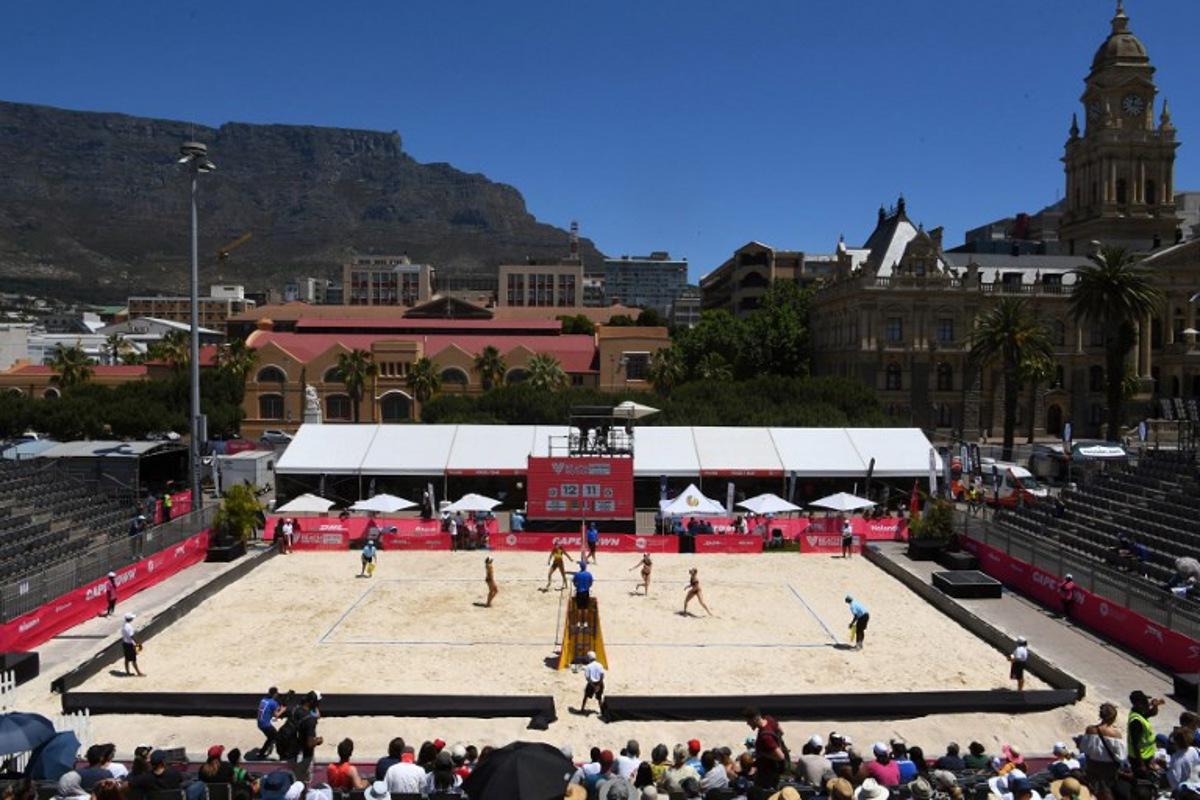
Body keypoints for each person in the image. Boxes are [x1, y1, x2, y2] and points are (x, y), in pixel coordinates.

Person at [1080, 702, 1126, 800]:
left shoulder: (1090, 730)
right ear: (1114, 718)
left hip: (1092, 767)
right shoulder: (1116, 734)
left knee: (1093, 793)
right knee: (1107, 794)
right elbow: (1121, 757)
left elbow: (1084, 749)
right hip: (1109, 771)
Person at [744, 707, 787, 789]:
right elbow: (781, 732)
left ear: (755, 719)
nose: (747, 723)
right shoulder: (769, 719)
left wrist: (762, 753)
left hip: (767, 774)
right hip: (773, 771)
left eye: (748, 721)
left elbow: (781, 756)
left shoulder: (766, 737)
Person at [1128, 690, 1164, 779]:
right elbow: (1135, 744)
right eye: (1145, 701)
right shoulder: (1136, 721)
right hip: (1140, 759)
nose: (1147, 703)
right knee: (1141, 781)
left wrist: (1155, 705)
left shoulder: (1138, 712)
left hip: (1146, 756)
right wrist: (1141, 765)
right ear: (1139, 703)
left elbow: (1152, 713)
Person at [256, 687, 285, 759]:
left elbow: (269, 710)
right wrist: (283, 710)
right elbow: (276, 715)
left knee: (270, 738)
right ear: (275, 694)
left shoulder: (263, 700)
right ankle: (282, 754)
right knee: (277, 737)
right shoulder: (273, 703)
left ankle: (262, 752)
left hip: (259, 723)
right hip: (266, 725)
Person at [581, 650, 607, 715]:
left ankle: (582, 709)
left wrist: (594, 686)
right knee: (599, 698)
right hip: (600, 683)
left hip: (591, 684)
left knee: (586, 696)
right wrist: (598, 685)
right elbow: (602, 676)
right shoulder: (600, 665)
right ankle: (602, 712)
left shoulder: (588, 667)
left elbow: (588, 678)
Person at [120, 612, 144, 677]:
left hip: (125, 643)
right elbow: (132, 636)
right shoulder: (129, 627)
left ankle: (127, 672)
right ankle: (139, 673)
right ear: (130, 619)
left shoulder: (123, 625)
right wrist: (138, 643)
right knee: (134, 659)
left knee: (127, 659)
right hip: (130, 645)